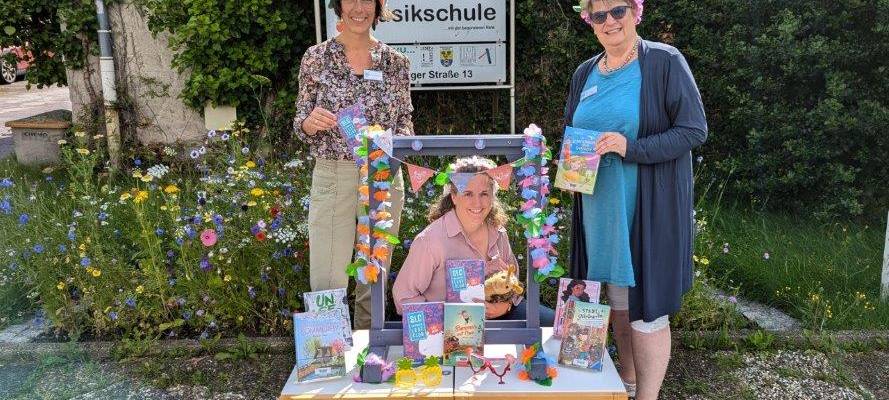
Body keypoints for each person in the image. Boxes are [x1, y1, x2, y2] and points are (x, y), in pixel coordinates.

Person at [564, 0, 708, 399]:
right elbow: (572, 133)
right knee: (615, 300)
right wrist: (570, 166)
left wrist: (632, 147)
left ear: (635, 13)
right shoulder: (584, 73)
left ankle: (647, 396)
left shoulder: (664, 62)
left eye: (618, 11)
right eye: (599, 15)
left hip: (648, 209)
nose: (609, 21)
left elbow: (693, 130)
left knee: (647, 310)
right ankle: (626, 385)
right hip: (598, 209)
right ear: (589, 22)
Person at [293, 0, 413, 329]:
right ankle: (327, 355)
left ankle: (368, 349)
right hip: (334, 171)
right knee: (327, 271)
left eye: (367, 0)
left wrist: (392, 142)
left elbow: (405, 124)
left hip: (383, 174)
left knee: (374, 271)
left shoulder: (396, 63)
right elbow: (299, 124)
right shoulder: (316, 58)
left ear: (378, 7)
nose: (358, 7)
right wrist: (309, 123)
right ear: (338, 5)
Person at [392, 156, 555, 325]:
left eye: (484, 193)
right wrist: (448, 318)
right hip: (452, 325)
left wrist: (506, 305)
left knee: (554, 325)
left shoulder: (498, 231)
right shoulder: (430, 241)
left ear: (493, 196)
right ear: (454, 196)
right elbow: (403, 297)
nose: (477, 203)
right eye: (468, 193)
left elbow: (513, 279)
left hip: (500, 314)